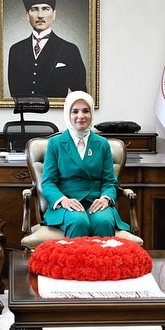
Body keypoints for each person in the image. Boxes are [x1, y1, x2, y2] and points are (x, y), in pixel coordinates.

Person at [40, 90, 130, 237]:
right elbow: (48, 183)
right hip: (67, 202)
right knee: (78, 222)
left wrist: (105, 198)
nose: (81, 116)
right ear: (68, 114)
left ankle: (103, 254)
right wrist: (63, 200)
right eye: (75, 111)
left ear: (91, 113)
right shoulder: (55, 144)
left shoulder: (102, 144)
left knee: (103, 221)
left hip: (96, 201)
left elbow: (109, 181)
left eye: (86, 111)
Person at [7, 0, 87, 99]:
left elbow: (81, 96)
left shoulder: (70, 50)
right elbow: (14, 95)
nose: (40, 15)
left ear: (54, 14)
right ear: (27, 15)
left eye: (46, 9)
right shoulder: (16, 50)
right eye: (34, 9)